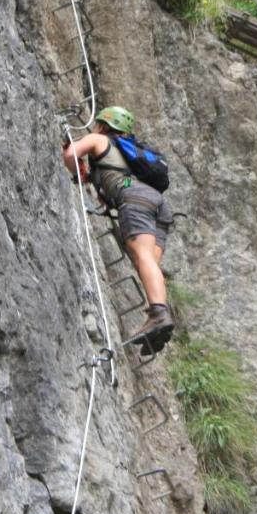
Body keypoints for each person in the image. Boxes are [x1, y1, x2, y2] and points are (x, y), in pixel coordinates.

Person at [62, 106, 174, 349]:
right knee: (147, 263)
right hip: (159, 206)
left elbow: (72, 153)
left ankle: (158, 315)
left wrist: (78, 176)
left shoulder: (99, 139)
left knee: (142, 256)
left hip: (135, 200)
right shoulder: (130, 155)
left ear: (103, 124)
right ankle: (157, 323)